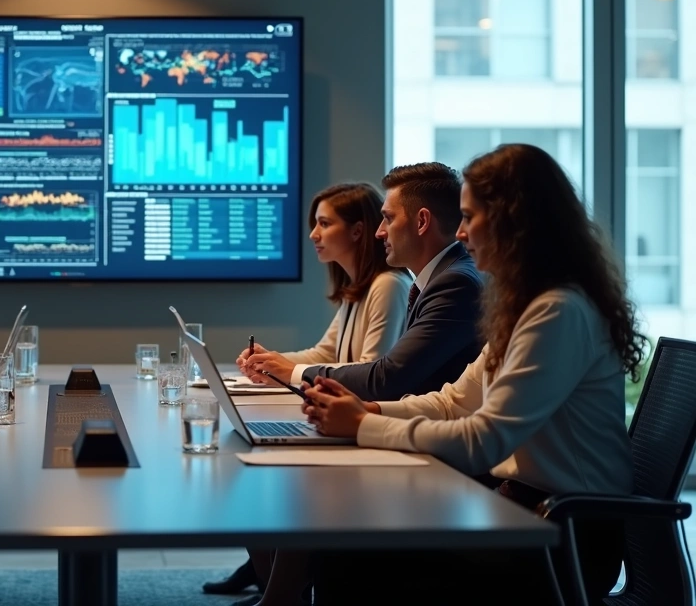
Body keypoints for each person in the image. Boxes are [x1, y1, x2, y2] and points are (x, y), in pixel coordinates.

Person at [263, 144, 643, 605]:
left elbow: (483, 440)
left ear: (511, 220)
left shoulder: (556, 312)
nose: (460, 233)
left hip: (561, 536)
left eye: (469, 217)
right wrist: (369, 408)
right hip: (522, 512)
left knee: (348, 553)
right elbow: (452, 401)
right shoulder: (525, 306)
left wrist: (363, 425)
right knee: (343, 540)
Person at [206, 182, 412, 597]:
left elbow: (371, 369)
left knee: (265, 474)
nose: (313, 235)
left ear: (357, 231)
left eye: (323, 224)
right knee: (252, 466)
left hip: (363, 423)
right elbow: (326, 351)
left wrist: (291, 369)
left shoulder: (388, 285)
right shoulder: (359, 288)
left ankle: (280, 590)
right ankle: (274, 583)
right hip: (345, 419)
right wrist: (273, 362)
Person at [243, 162, 484, 402]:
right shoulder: (439, 279)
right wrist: (274, 364)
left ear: (421, 222)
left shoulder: (453, 283)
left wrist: (292, 372)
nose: (379, 232)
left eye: (388, 218)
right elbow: (333, 354)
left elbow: (385, 377)